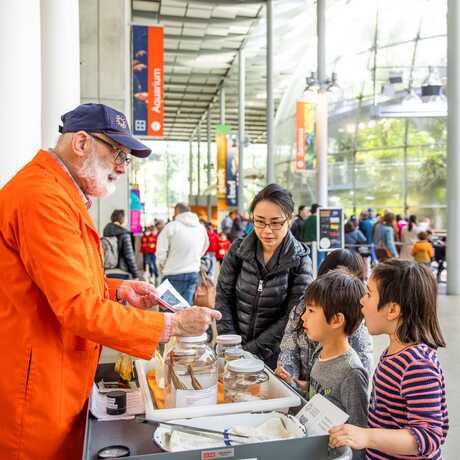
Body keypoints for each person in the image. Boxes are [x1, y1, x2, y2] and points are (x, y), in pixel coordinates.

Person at [0, 103, 222, 460]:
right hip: (35, 385)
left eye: (126, 158)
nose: (121, 166)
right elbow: (77, 307)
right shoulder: (43, 198)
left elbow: (60, 281)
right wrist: (174, 323)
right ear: (82, 143)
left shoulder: (59, 194)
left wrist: (118, 288)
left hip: (52, 372)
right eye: (117, 152)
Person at [329, 260, 448, 459]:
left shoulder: (417, 365)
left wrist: (367, 437)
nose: (361, 301)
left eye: (369, 294)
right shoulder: (393, 352)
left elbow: (428, 436)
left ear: (392, 310)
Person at [215, 184, 313, 369]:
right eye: (259, 221)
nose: (267, 230)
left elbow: (293, 316)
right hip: (231, 352)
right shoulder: (238, 250)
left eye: (276, 223)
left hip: (274, 359)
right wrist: (231, 345)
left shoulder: (300, 261)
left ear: (289, 220)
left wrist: (250, 351)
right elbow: (223, 297)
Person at [276, 249, 374, 390]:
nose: (305, 317)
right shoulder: (302, 307)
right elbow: (288, 348)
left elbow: (358, 381)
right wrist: (288, 377)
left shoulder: (356, 320)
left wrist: (307, 387)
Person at [301, 269, 369, 459]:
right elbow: (318, 396)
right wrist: (295, 386)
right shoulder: (319, 352)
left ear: (337, 320)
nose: (303, 317)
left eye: (311, 311)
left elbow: (358, 433)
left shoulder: (351, 372)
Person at [156, 203, 209, 304]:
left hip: (172, 274)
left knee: (168, 310)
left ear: (177, 212)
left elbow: (161, 252)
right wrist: (194, 258)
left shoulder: (171, 227)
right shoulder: (201, 228)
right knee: (186, 310)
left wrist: (163, 266)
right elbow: (205, 246)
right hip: (193, 273)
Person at [103, 209, 142, 280]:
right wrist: (135, 275)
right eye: (126, 218)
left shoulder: (106, 231)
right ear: (121, 219)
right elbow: (129, 256)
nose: (127, 221)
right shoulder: (124, 234)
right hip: (122, 271)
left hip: (108, 271)